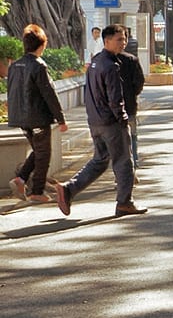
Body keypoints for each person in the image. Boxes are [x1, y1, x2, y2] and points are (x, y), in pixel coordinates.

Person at [52, 25, 147, 218]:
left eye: (124, 38)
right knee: (124, 162)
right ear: (107, 41)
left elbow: (90, 94)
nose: (124, 42)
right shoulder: (111, 66)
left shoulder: (96, 62)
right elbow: (115, 98)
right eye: (119, 39)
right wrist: (122, 119)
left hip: (96, 121)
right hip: (111, 122)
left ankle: (69, 189)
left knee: (100, 160)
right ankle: (124, 202)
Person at [8, 25, 67, 203]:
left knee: (38, 151)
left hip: (20, 118)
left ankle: (20, 179)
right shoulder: (39, 66)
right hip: (37, 117)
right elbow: (49, 94)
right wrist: (61, 118)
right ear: (42, 45)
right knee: (44, 154)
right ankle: (37, 191)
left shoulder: (14, 66)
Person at [116, 27, 145, 166]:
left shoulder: (102, 60)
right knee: (132, 135)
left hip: (113, 108)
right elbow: (139, 82)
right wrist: (132, 94)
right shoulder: (131, 60)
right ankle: (133, 161)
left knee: (118, 138)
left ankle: (122, 164)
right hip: (129, 105)